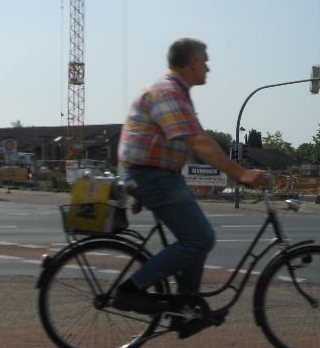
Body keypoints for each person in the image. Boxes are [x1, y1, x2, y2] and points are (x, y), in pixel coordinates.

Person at [112, 38, 270, 329]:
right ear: (192, 62)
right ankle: (130, 291)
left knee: (195, 238)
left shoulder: (178, 93)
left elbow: (196, 137)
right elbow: (198, 140)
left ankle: (186, 310)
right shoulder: (168, 91)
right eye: (205, 60)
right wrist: (241, 174)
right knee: (200, 239)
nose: (208, 67)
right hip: (151, 175)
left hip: (163, 175)